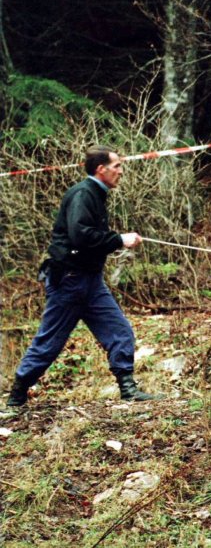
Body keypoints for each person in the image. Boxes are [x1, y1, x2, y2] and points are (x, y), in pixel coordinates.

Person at [6, 146, 159, 408]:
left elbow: (87, 236)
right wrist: (120, 239)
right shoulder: (83, 194)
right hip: (68, 280)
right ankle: (16, 397)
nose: (121, 171)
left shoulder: (96, 195)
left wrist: (116, 240)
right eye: (117, 166)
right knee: (49, 342)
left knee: (120, 331)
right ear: (101, 169)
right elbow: (81, 236)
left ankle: (128, 389)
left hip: (91, 281)